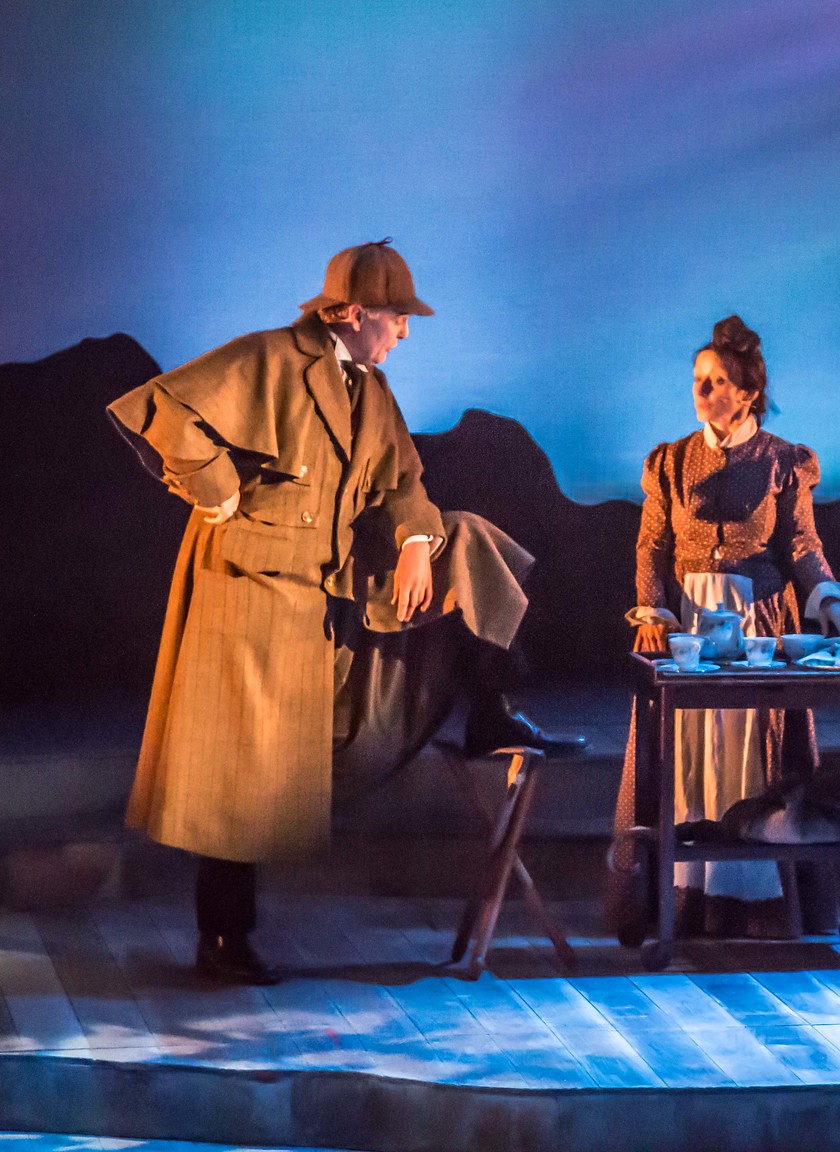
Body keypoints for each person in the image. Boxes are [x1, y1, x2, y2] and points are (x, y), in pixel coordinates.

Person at [108, 240, 585, 985]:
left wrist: (418, 542)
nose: (406, 331)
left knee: (465, 538)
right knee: (241, 769)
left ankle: (491, 705)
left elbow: (405, 484)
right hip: (254, 591)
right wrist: (216, 489)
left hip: (328, 589)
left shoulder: (371, 389)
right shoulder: (272, 357)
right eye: (398, 317)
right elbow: (159, 409)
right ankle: (223, 939)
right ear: (356, 313)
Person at [607, 315, 840, 939]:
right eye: (698, 378)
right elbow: (652, 545)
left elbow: (801, 542)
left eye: (718, 381)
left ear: (748, 394)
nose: (702, 391)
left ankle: (753, 905)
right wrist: (652, 610)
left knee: (752, 760)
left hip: (757, 622)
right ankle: (682, 902)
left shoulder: (783, 461)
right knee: (687, 758)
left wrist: (826, 596)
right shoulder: (670, 461)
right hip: (689, 624)